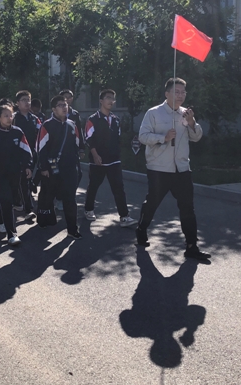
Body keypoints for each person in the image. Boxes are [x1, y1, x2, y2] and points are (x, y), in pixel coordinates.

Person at [136, 78, 211, 261]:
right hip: (159, 169)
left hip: (182, 169)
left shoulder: (186, 114)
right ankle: (142, 229)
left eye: (183, 92)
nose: (180, 96)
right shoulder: (153, 113)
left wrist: (192, 123)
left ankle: (192, 246)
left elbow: (196, 137)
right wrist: (163, 137)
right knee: (152, 203)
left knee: (187, 208)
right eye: (176, 92)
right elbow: (143, 136)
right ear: (167, 93)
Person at [83, 89, 137, 227]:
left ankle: (124, 216)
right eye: (108, 97)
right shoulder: (92, 119)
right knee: (94, 186)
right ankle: (88, 210)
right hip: (98, 161)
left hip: (114, 160)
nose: (111, 100)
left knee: (119, 188)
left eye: (113, 98)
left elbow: (117, 138)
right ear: (101, 100)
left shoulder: (116, 120)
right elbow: (89, 139)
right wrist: (95, 155)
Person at [0, 104, 33, 246]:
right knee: (5, 201)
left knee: (10, 201)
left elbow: (26, 151)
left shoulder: (18, 132)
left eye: (11, 115)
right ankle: (12, 234)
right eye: (5, 115)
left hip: (15, 173)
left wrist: (28, 166)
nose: (9, 118)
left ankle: (0, 221)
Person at [36, 95, 82, 240]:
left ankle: (72, 229)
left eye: (66, 104)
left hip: (69, 169)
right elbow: (40, 148)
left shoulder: (72, 124)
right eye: (61, 105)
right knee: (48, 196)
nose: (64, 107)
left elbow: (77, 144)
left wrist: (77, 163)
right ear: (54, 109)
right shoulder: (47, 125)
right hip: (51, 169)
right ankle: (43, 220)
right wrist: (43, 167)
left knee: (70, 199)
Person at [12, 90, 41, 221]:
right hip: (17, 155)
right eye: (23, 100)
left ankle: (18, 201)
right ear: (17, 103)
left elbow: (41, 134)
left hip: (31, 153)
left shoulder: (35, 118)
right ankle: (28, 208)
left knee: (25, 179)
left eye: (28, 100)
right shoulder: (13, 118)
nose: (27, 103)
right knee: (24, 180)